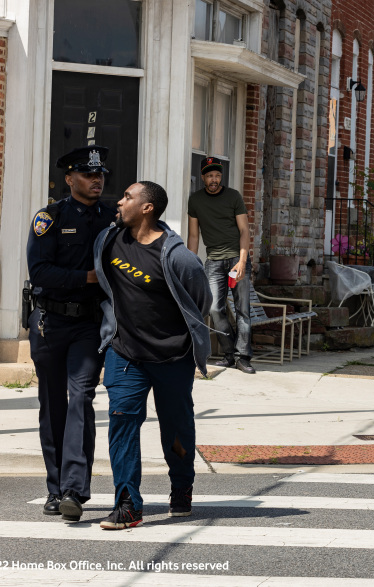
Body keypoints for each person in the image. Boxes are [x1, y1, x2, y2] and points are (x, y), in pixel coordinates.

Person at [94, 181, 212, 529]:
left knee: (176, 427)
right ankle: (128, 503)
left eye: (128, 196)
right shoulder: (108, 239)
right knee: (122, 422)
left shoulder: (178, 256)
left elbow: (201, 302)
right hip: (125, 352)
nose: (120, 200)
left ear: (147, 208)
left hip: (172, 357)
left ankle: (181, 486)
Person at [26, 145, 116, 522]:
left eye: (100, 175)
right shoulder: (49, 218)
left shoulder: (113, 217)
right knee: (53, 403)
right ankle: (54, 487)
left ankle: (73, 491)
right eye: (87, 174)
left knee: (81, 396)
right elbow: (40, 271)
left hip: (88, 323)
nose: (96, 180)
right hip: (49, 322)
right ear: (69, 178)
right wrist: (87, 278)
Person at [187, 157, 255, 374]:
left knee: (242, 309)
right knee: (215, 308)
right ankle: (229, 353)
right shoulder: (195, 200)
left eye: (217, 175)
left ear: (221, 176)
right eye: (209, 176)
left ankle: (243, 357)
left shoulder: (233, 196)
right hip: (213, 260)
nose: (213, 179)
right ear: (203, 178)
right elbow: (193, 235)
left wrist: (243, 261)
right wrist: (190, 263)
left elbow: (245, 231)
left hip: (237, 258)